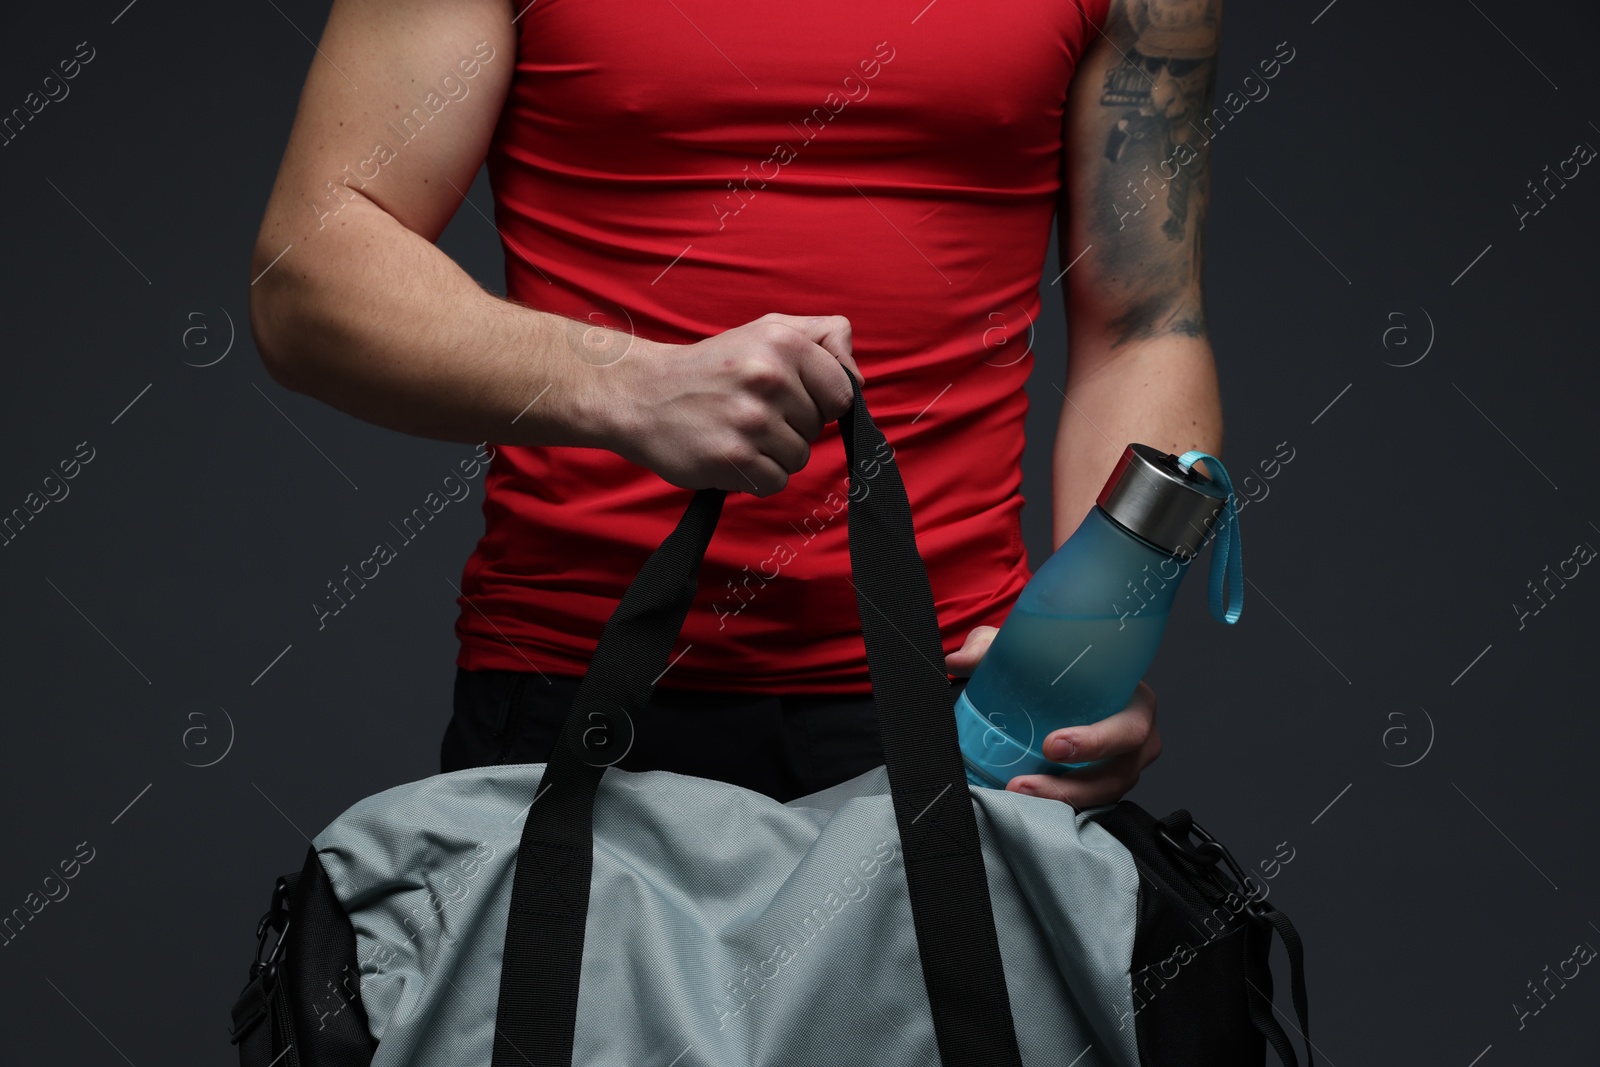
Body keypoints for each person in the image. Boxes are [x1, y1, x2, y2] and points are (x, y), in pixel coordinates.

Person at [248, 0, 1224, 806]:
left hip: (960, 706)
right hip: (576, 677)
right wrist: (624, 382)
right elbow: (305, 281)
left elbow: (1144, 323)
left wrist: (1078, 661)